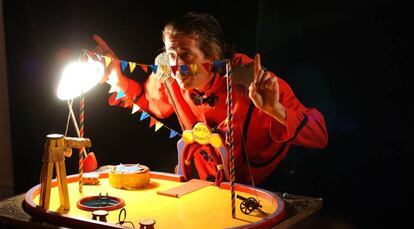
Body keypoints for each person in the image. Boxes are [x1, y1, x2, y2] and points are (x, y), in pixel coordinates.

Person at [93, 12, 328, 186]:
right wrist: (117, 78)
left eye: (185, 55)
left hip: (264, 187)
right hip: (203, 186)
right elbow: (149, 101)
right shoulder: (167, 73)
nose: (176, 67)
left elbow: (319, 135)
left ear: (213, 56)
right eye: (170, 54)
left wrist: (275, 109)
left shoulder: (254, 81)